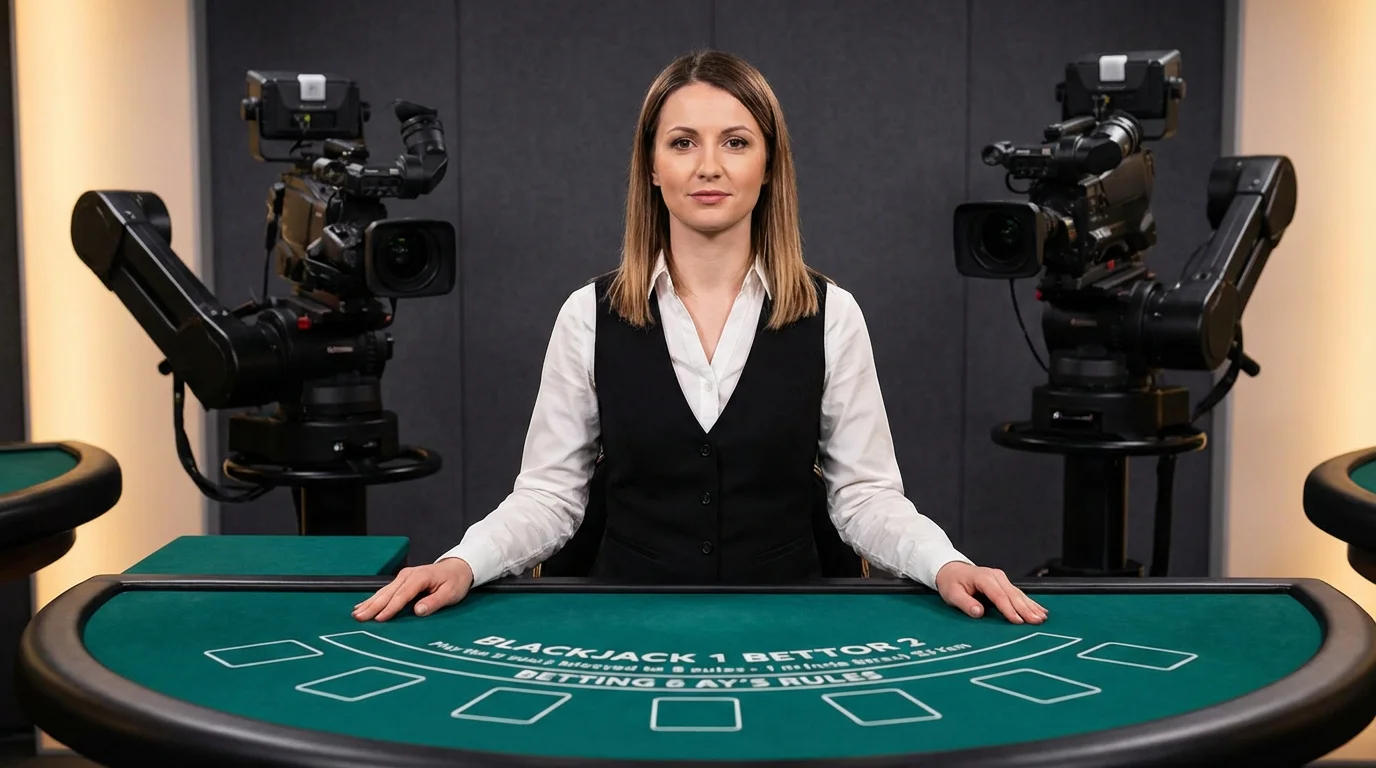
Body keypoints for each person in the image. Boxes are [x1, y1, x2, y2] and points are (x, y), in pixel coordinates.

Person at [353, 50, 1046, 626]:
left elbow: (864, 497)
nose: (708, 166)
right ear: (651, 167)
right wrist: (461, 562)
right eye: (683, 142)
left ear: (769, 164)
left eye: (735, 142)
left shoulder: (833, 314)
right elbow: (549, 496)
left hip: (794, 625)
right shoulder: (585, 314)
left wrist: (946, 562)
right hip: (621, 623)